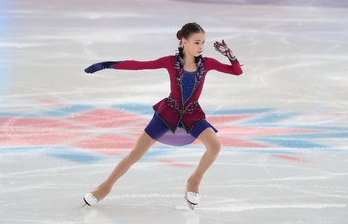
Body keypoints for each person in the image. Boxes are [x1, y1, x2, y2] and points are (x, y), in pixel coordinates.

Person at [83, 22, 243, 209]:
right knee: (136, 153)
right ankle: (104, 188)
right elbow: (139, 65)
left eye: (203, 43)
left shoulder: (207, 64)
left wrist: (230, 55)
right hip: (168, 113)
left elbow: (237, 72)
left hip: (192, 114)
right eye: (197, 42)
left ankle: (194, 181)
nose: (201, 47)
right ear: (184, 42)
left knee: (214, 145)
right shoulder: (170, 62)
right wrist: (107, 65)